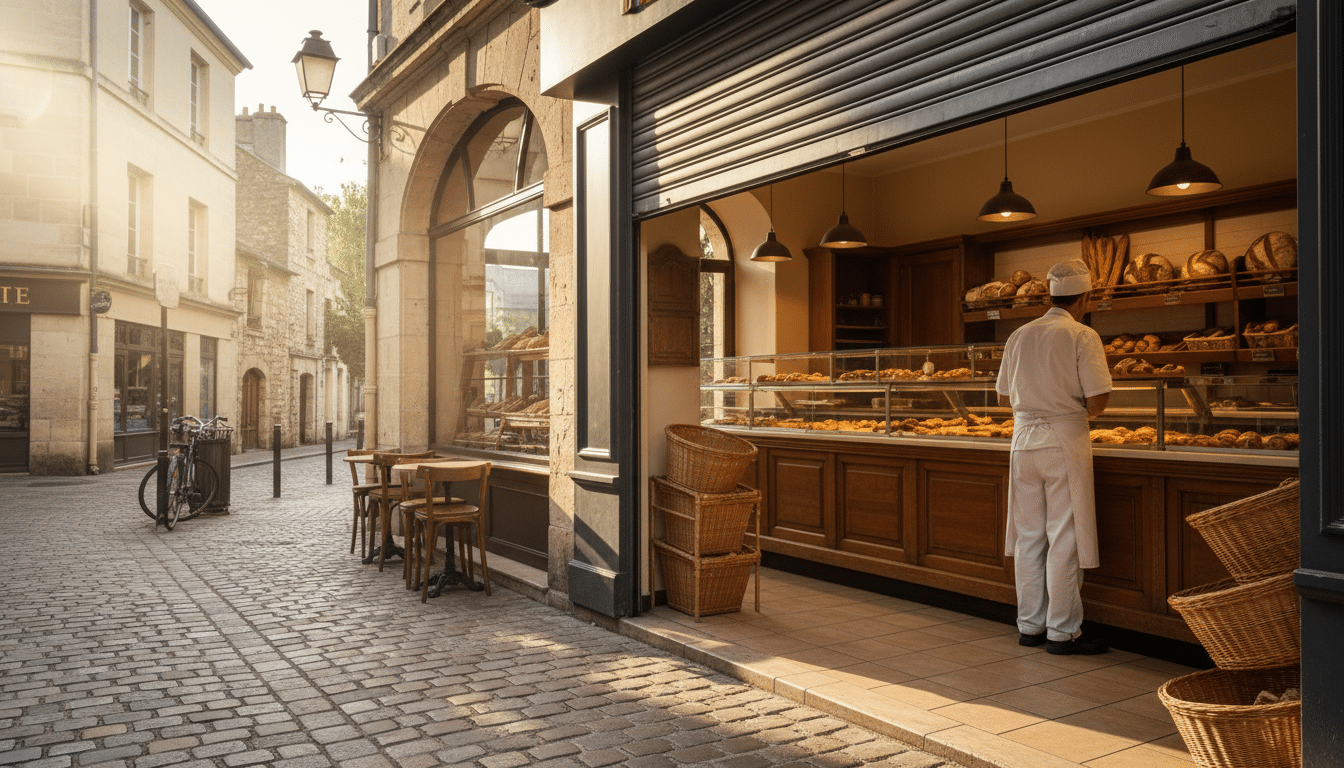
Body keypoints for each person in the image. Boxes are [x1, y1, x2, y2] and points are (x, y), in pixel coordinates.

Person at [996, 259, 1112, 655]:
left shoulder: (1019, 335)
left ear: (1050, 294)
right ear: (1087, 297)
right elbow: (1098, 403)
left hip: (1022, 442)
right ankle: (1063, 632)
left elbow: (1002, 397)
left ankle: (1030, 625)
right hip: (1063, 441)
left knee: (1028, 534)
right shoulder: (1082, 335)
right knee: (1063, 535)